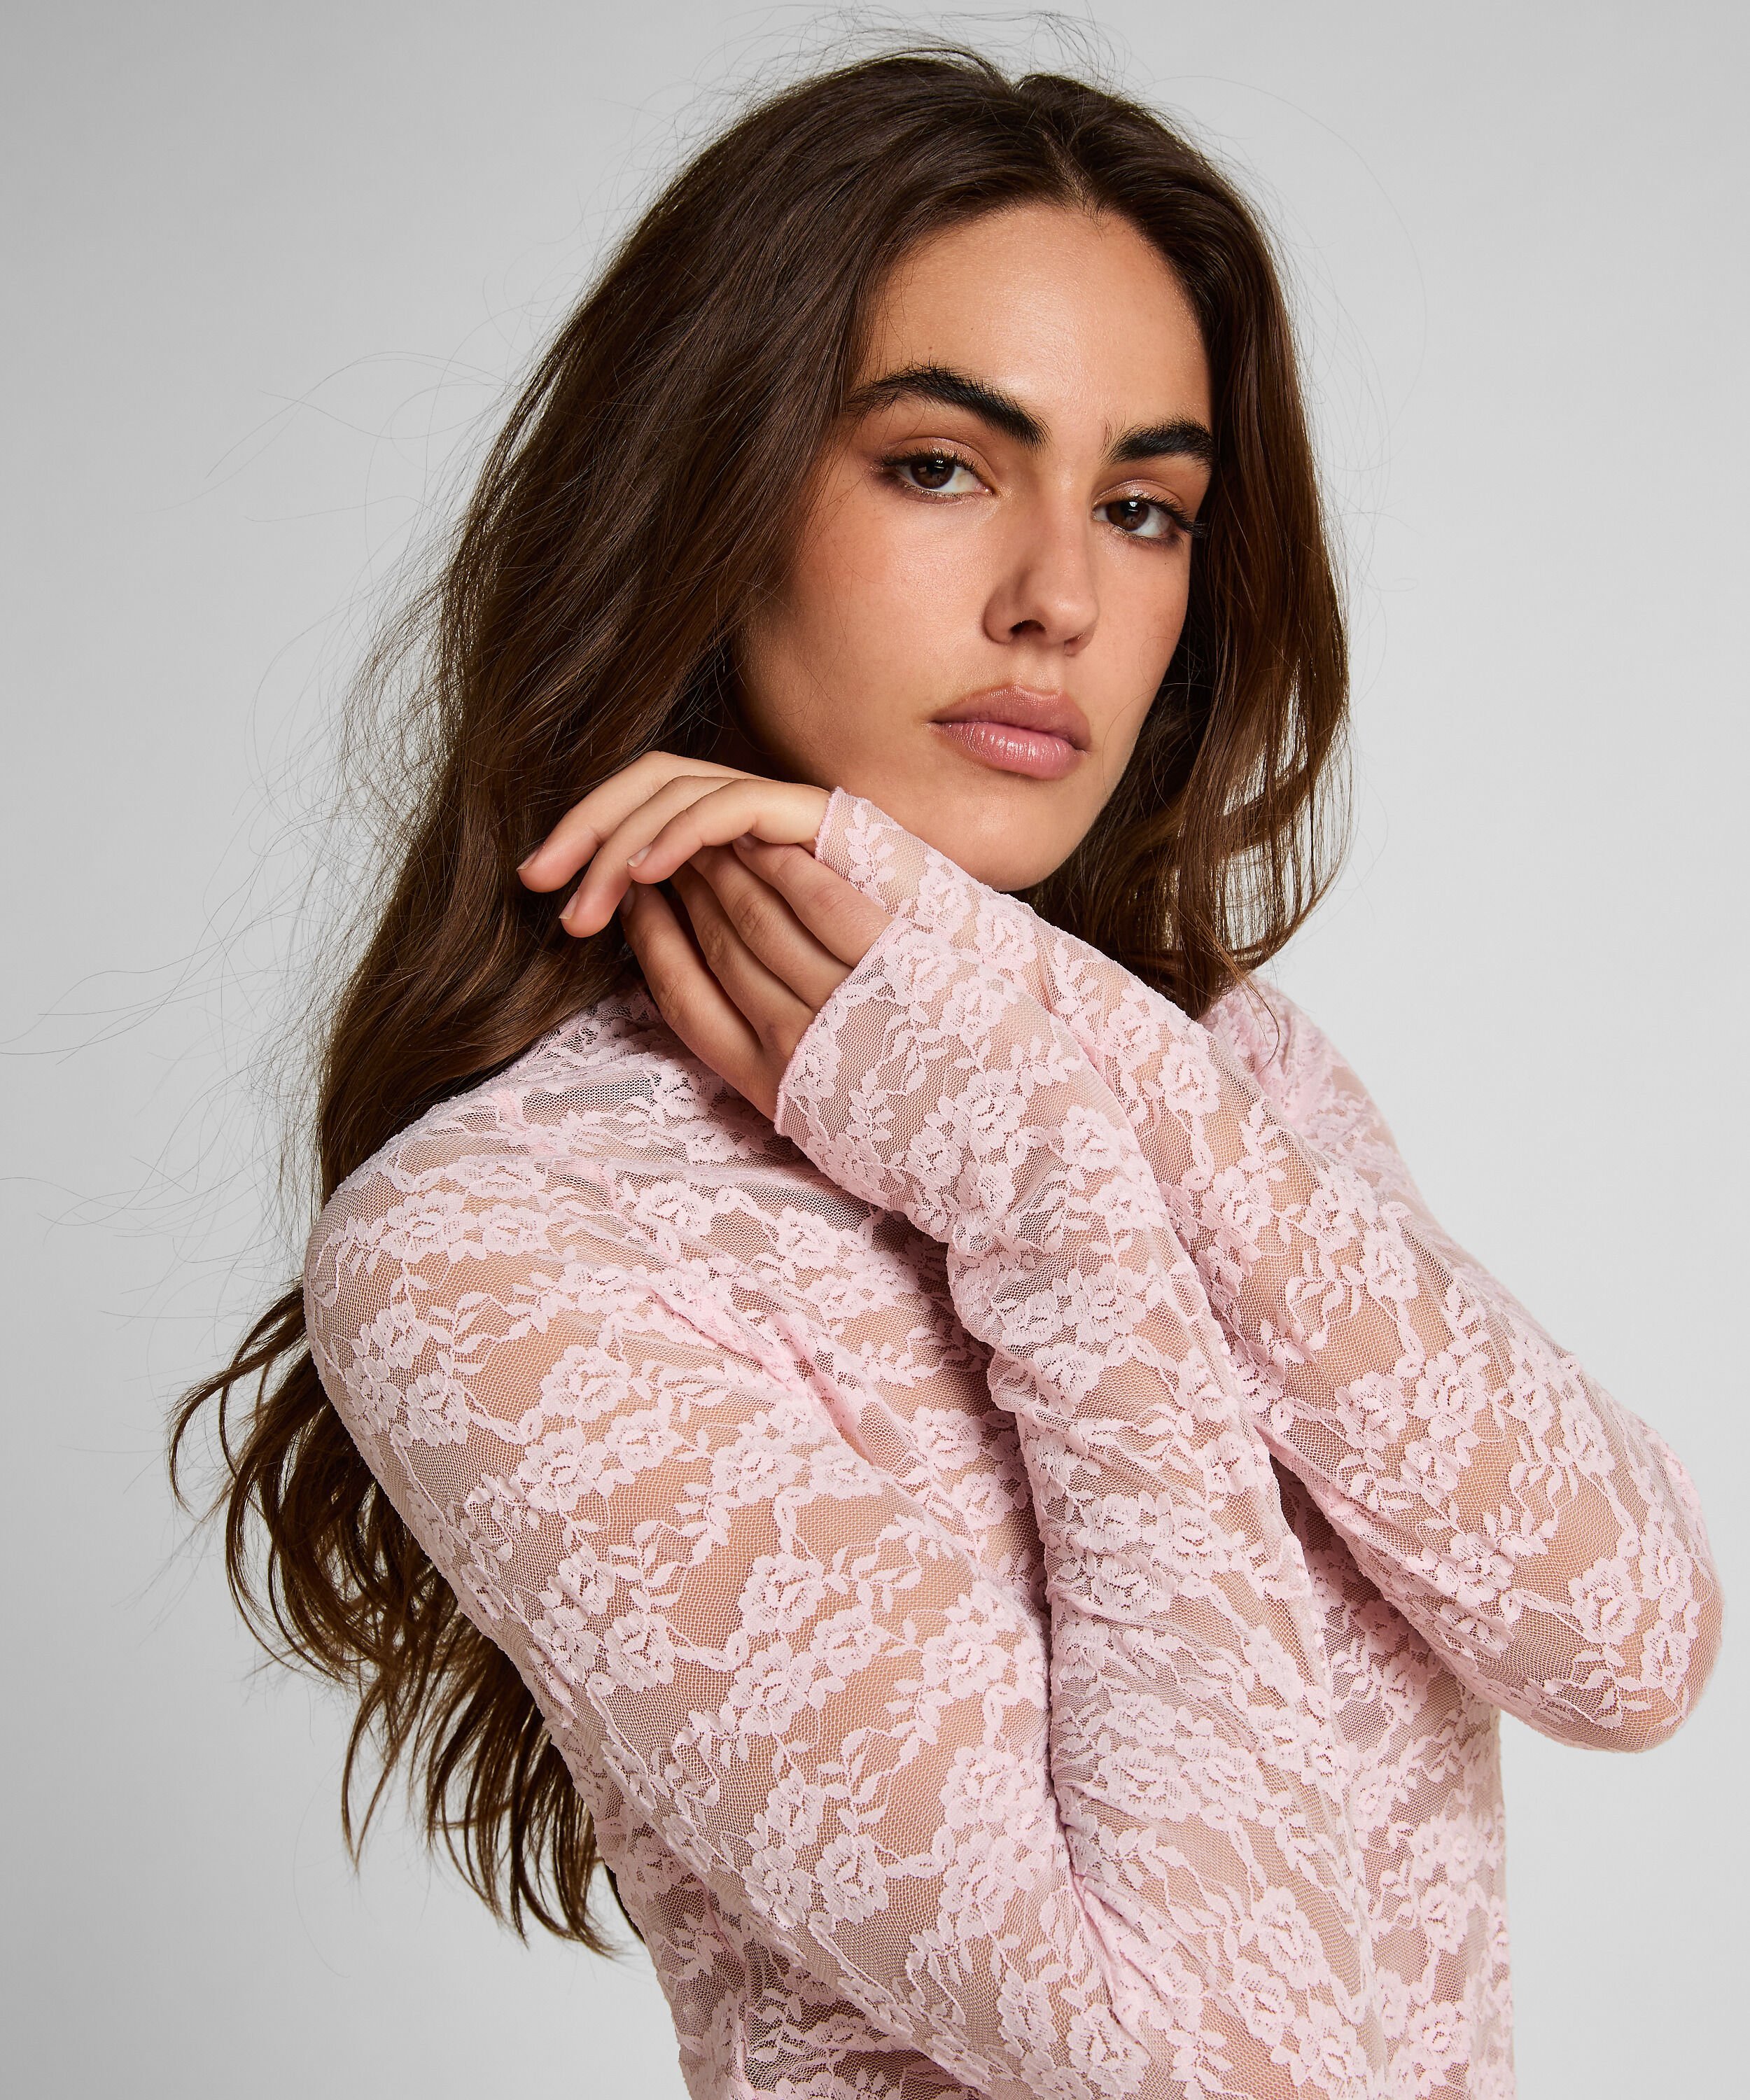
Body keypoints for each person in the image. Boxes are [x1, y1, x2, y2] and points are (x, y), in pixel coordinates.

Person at [174, 48, 1720, 2100]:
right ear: (711, 497)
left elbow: (1627, 1641)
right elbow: (1207, 2056)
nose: (1057, 599)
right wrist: (1026, 1179)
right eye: (937, 465)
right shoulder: (490, 1243)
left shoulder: (1219, 1068)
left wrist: (1037, 1033)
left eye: (1144, 508)